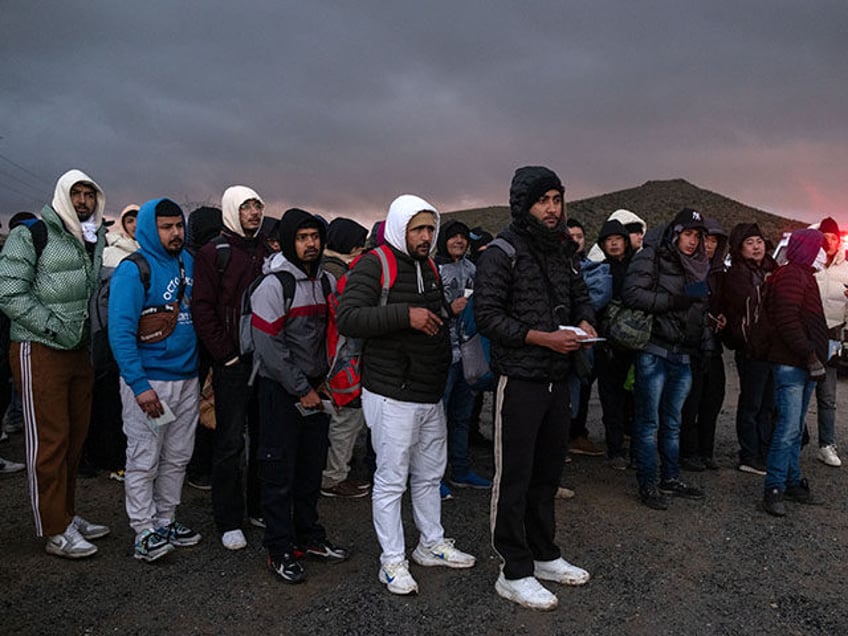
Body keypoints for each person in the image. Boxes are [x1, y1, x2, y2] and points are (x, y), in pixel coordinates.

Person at [337, 194, 476, 596]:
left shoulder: (428, 265)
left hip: (428, 392)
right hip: (390, 392)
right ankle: (391, 561)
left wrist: (448, 310)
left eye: (430, 228)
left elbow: (427, 315)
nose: (426, 236)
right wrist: (404, 315)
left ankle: (430, 544)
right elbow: (348, 316)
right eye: (418, 229)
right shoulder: (373, 263)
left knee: (431, 473)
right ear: (400, 228)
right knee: (391, 479)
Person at [475, 166, 595, 611]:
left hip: (557, 377)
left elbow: (581, 294)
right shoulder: (500, 252)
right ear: (524, 204)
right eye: (543, 200)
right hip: (520, 379)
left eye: (556, 199)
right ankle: (513, 570)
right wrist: (543, 337)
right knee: (514, 476)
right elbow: (487, 316)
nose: (552, 208)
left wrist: (585, 321)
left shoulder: (562, 249)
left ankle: (544, 554)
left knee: (547, 474)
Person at [0, 170, 110, 558]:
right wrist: (54, 327)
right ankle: (53, 528)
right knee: (49, 440)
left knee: (74, 438)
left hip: (78, 351)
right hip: (39, 348)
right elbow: (9, 292)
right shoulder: (31, 234)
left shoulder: (93, 238)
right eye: (76, 193)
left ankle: (67, 514)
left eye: (89, 194)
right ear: (62, 196)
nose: (83, 201)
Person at [250, 208, 349, 583]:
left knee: (309, 471)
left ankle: (308, 537)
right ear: (290, 241)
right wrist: (301, 388)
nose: (311, 244)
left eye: (315, 237)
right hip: (281, 392)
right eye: (302, 238)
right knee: (279, 473)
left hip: (317, 388)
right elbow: (269, 347)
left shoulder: (325, 281)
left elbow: (334, 335)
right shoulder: (275, 285)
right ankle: (279, 549)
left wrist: (327, 382)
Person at [108, 198, 201, 562]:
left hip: (187, 379)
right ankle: (143, 530)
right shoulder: (134, 270)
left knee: (178, 456)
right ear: (150, 228)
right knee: (144, 458)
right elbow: (121, 331)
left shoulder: (187, 262)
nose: (175, 233)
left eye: (179, 225)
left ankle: (165, 519)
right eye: (166, 227)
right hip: (150, 382)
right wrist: (139, 384)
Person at [191, 187, 268, 550]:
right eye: (246, 207)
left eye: (258, 206)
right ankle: (228, 518)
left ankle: (257, 507)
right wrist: (226, 356)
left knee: (265, 439)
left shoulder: (265, 251)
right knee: (229, 442)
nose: (253, 212)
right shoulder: (213, 253)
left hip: (263, 361)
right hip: (232, 362)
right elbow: (202, 309)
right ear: (231, 211)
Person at [622, 208, 709, 511]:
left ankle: (670, 478)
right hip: (655, 350)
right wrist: (672, 301)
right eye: (688, 234)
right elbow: (631, 293)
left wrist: (704, 339)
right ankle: (648, 482)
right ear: (675, 233)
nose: (692, 241)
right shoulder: (653, 255)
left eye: (697, 236)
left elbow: (699, 308)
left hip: (683, 353)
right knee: (649, 422)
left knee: (673, 422)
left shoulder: (699, 265)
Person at [762, 229, 829, 516]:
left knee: (795, 427)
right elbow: (787, 319)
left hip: (803, 364)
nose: (823, 253)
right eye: (819, 247)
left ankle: (791, 481)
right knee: (788, 429)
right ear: (806, 249)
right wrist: (810, 354)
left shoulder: (803, 275)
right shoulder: (792, 275)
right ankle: (774, 487)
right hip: (793, 363)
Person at [435, 219, 491, 494]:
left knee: (461, 416)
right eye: (453, 237)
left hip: (468, 354)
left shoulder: (472, 268)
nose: (459, 241)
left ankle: (460, 470)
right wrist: (448, 308)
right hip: (442, 354)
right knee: (437, 420)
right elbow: (422, 307)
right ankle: (435, 479)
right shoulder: (433, 269)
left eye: (463, 238)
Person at [320, 217, 372, 499]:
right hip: (341, 355)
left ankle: (333, 472)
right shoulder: (339, 273)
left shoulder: (324, 267)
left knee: (336, 419)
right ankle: (334, 477)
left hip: (330, 355)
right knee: (346, 418)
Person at [720, 223, 778, 475]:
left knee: (769, 403)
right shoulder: (736, 274)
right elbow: (747, 306)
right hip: (751, 349)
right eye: (749, 243)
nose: (756, 247)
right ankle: (749, 454)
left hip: (773, 349)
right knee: (751, 403)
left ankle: (764, 452)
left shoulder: (772, 268)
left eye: (759, 241)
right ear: (739, 248)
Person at [680, 218, 728, 471]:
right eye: (705, 239)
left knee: (713, 398)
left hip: (714, 345)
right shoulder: (689, 268)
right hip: (691, 343)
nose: (709, 245)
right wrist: (703, 313)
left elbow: (726, 303)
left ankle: (705, 451)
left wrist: (723, 316)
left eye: (714, 241)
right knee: (691, 399)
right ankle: (687, 452)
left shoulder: (720, 273)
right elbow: (685, 299)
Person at [594, 219, 637, 469]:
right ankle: (615, 448)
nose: (613, 243)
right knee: (610, 399)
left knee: (635, 399)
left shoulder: (638, 268)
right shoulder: (599, 270)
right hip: (608, 346)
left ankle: (635, 448)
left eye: (618, 239)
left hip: (635, 344)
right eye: (608, 240)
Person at [564, 218, 604, 457]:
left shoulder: (593, 268)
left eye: (580, 236)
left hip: (587, 340)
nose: (575, 240)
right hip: (558, 338)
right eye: (571, 236)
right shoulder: (557, 266)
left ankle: (576, 435)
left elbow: (591, 299)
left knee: (582, 387)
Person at [811, 216, 847, 467]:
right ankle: (793, 439)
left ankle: (826, 444)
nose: (828, 242)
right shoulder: (809, 264)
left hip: (833, 338)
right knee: (798, 395)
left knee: (827, 397)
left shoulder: (846, 268)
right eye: (824, 238)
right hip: (807, 338)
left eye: (832, 237)